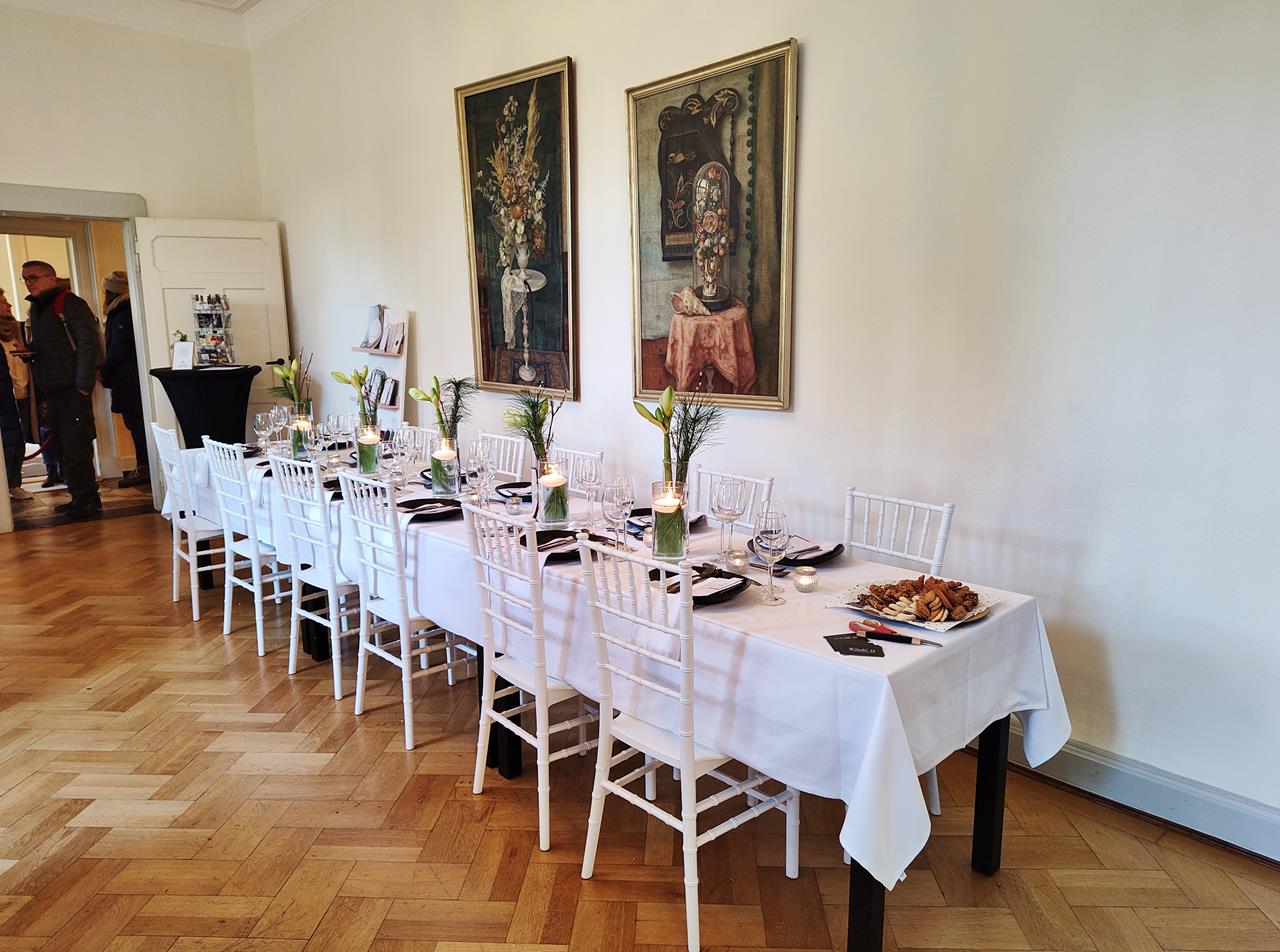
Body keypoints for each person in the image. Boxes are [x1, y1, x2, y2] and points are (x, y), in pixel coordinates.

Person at [21, 261, 102, 518]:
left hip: (72, 389)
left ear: (51, 278)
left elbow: (88, 344)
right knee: (65, 446)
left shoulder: (69, 303)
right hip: (53, 389)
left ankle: (86, 500)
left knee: (77, 445)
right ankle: (80, 496)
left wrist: (83, 386)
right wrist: (31, 353)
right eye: (25, 278)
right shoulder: (37, 308)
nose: (29, 283)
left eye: (33, 277)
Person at [98, 271, 148, 488]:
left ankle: (144, 468)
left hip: (129, 379)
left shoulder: (123, 313)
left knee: (137, 424)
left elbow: (119, 348)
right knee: (136, 424)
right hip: (129, 378)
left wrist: (103, 370)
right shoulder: (125, 311)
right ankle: (143, 467)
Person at [0, 289, 27, 501]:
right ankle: (9, 484)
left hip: (22, 394)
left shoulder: (18, 330)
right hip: (4, 397)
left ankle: (15, 483)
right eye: (2, 303)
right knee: (9, 442)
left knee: (19, 441)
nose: (8, 306)